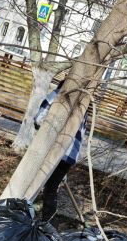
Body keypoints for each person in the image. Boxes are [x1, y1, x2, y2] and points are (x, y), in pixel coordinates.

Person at [34, 82, 87, 221]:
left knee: (35, 183)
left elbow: (39, 119)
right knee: (51, 190)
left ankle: (24, 217)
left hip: (52, 149)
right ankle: (48, 224)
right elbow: (81, 135)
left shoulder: (58, 95)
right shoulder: (83, 105)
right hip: (69, 156)